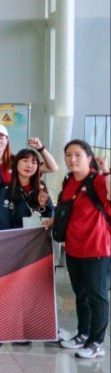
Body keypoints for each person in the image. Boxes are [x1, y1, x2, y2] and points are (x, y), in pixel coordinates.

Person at [51, 140, 110, 359]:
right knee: (81, 294)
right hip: (73, 248)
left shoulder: (98, 180)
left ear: (89, 157)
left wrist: (106, 171)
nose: (72, 159)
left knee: (97, 296)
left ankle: (97, 342)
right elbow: (68, 210)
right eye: (68, 155)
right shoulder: (69, 180)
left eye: (77, 155)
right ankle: (83, 334)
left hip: (96, 248)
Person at [0, 148, 54, 230]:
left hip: (38, 236)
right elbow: (2, 223)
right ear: (16, 163)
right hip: (15, 236)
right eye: (25, 161)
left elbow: (50, 218)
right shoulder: (6, 190)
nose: (29, 165)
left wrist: (45, 205)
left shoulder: (41, 188)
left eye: (34, 162)